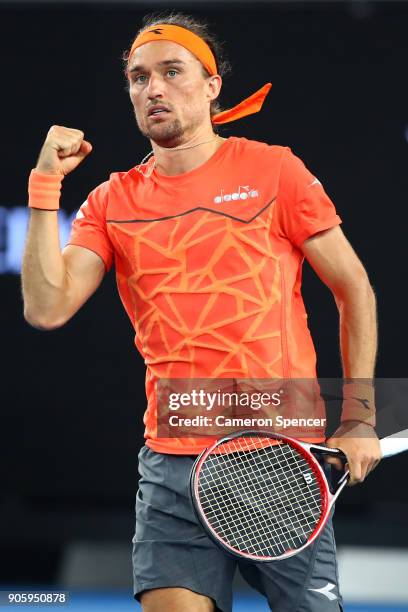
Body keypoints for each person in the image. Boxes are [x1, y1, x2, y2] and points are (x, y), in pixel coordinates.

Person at [22, 12, 382, 612]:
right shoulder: (110, 201)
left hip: (279, 459)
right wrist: (43, 185)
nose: (152, 89)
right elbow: (47, 307)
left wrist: (361, 416)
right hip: (171, 469)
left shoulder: (274, 170)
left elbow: (355, 290)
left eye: (171, 72)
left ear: (212, 86)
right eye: (138, 78)